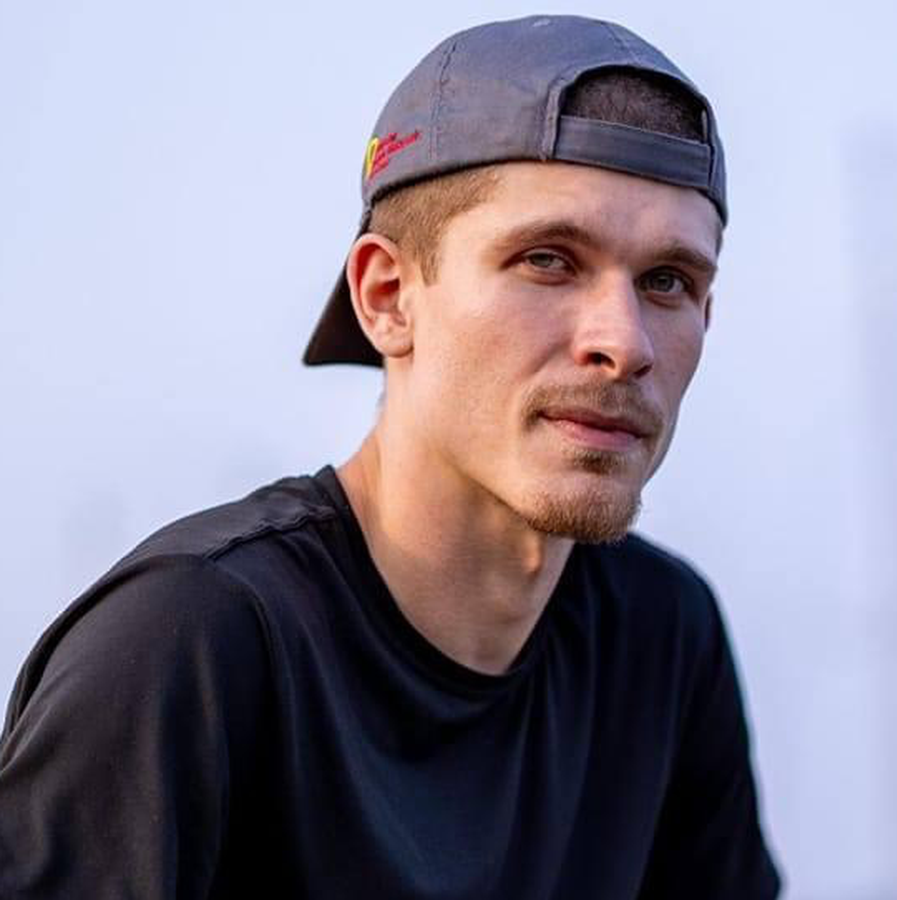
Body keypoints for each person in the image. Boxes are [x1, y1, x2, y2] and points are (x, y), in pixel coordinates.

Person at [0, 14, 780, 899]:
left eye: (668, 281)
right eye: (548, 261)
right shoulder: (196, 640)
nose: (625, 343)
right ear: (388, 297)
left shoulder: (660, 636)